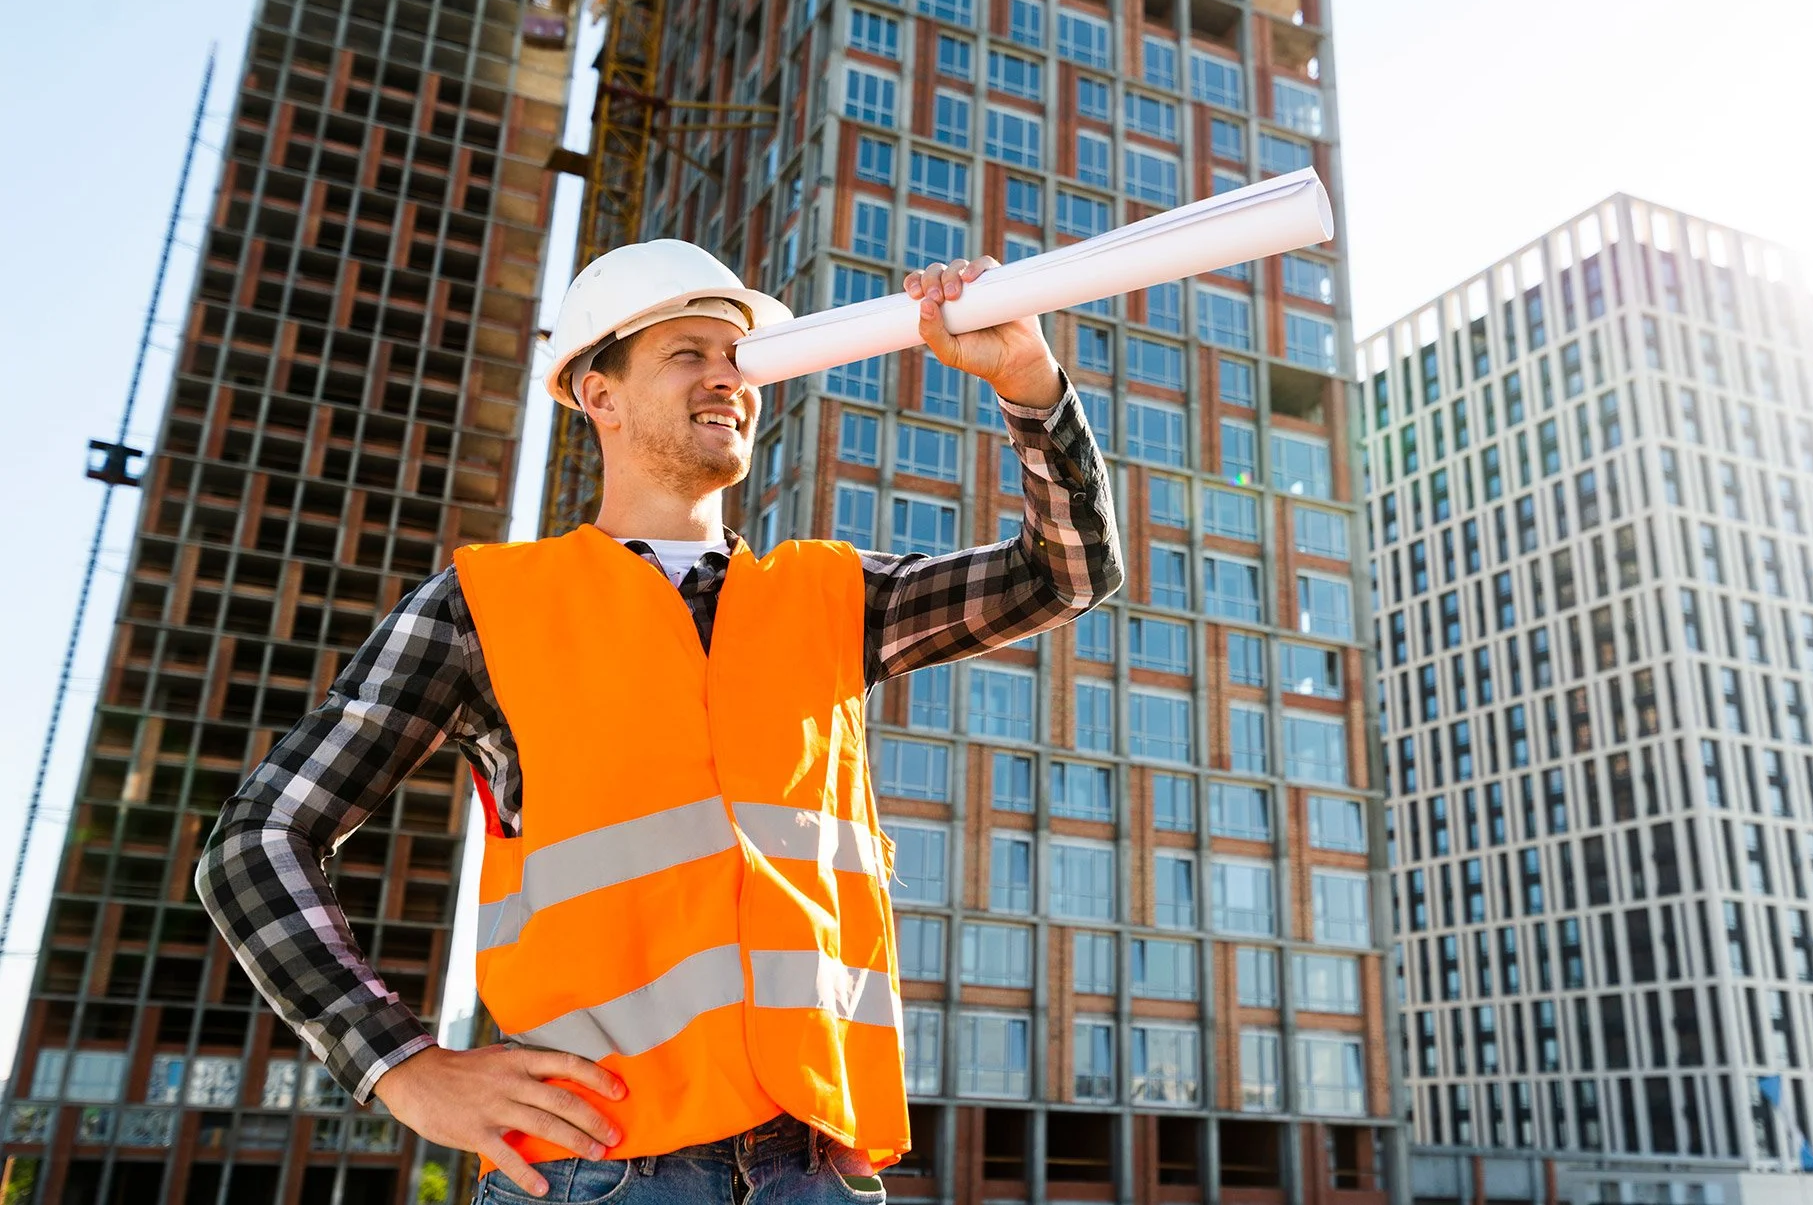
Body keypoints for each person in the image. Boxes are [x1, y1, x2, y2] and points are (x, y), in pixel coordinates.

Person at [195, 240, 1122, 1204]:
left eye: (742, 359)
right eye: (691, 354)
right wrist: (396, 1063)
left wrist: (1027, 380)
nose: (731, 378)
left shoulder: (831, 596)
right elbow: (257, 840)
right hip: (599, 1170)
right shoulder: (485, 607)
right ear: (600, 395)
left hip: (818, 1169)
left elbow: (1067, 573)